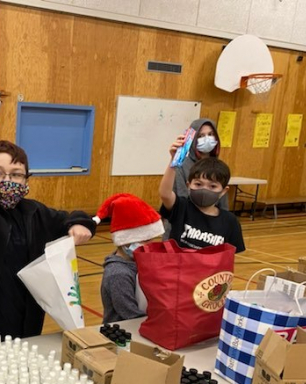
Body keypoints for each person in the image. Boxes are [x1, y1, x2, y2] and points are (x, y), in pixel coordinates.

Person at [0, 108, 96, 344]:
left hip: (22, 317)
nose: (7, 181)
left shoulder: (36, 212)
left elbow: (70, 218)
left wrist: (80, 224)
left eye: (16, 174)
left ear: (26, 179)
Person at [159, 135, 245, 253]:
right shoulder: (181, 207)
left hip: (211, 272)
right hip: (178, 269)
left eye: (213, 186)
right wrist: (174, 161)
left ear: (223, 191)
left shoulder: (230, 221)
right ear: (189, 185)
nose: (205, 190)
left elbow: (230, 257)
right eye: (198, 184)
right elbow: (165, 194)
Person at [94, 194, 165, 324]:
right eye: (145, 241)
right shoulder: (118, 274)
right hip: (123, 333)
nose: (150, 245)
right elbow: (130, 314)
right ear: (126, 241)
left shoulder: (138, 262)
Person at [165, 118, 226, 239]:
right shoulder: (182, 164)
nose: (207, 138)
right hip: (183, 226)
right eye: (201, 135)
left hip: (209, 228)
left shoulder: (219, 166)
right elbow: (179, 197)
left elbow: (222, 202)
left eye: (210, 134)